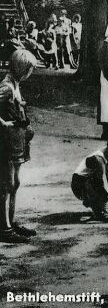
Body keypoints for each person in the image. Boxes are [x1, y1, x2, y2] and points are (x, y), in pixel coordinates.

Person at [0, 50, 38, 243]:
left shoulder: (15, 83)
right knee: (6, 184)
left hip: (18, 138)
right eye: (30, 69)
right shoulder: (6, 86)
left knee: (15, 183)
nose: (31, 73)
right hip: (7, 140)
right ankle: (4, 228)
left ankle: (11, 222)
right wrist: (3, 123)